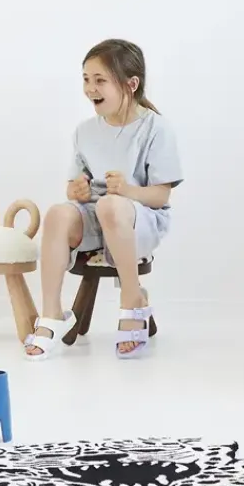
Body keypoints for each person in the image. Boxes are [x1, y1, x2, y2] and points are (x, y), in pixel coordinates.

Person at [24, 39, 183, 360]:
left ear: (131, 84)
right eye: (86, 79)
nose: (90, 89)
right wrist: (76, 191)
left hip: (140, 220)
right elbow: (74, 185)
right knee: (58, 213)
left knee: (111, 205)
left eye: (100, 80)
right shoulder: (85, 131)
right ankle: (52, 313)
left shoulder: (156, 128)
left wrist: (128, 191)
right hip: (97, 217)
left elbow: (161, 195)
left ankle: (131, 300)